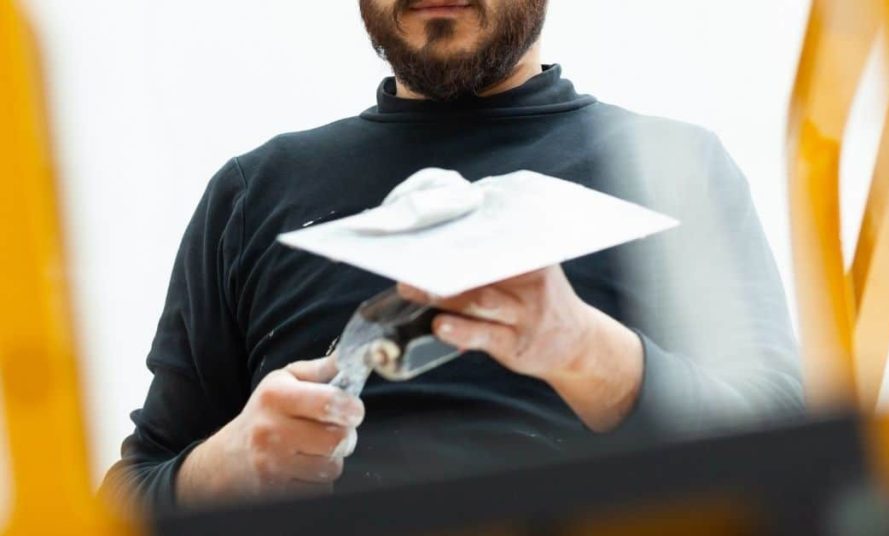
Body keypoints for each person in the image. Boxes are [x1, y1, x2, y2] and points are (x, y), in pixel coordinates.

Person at [101, 0, 804, 511]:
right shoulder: (254, 192)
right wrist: (227, 468)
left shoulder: (670, 166)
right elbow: (120, 500)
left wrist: (586, 351)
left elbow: (787, 454)